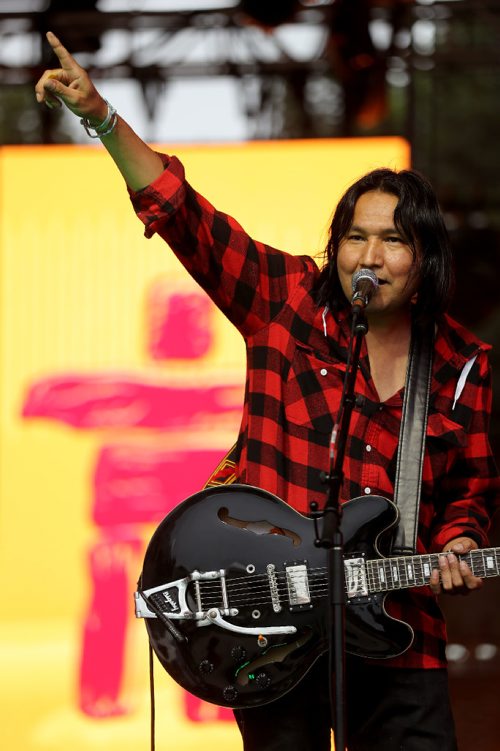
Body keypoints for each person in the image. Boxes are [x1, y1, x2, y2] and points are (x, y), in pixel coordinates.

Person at [35, 32, 499, 751]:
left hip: (401, 636)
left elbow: (470, 484)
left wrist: (461, 538)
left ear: (426, 258)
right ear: (335, 246)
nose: (369, 256)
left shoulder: (465, 364)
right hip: (278, 633)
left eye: (393, 240)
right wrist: (100, 115)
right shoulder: (286, 302)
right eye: (354, 236)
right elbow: (182, 213)